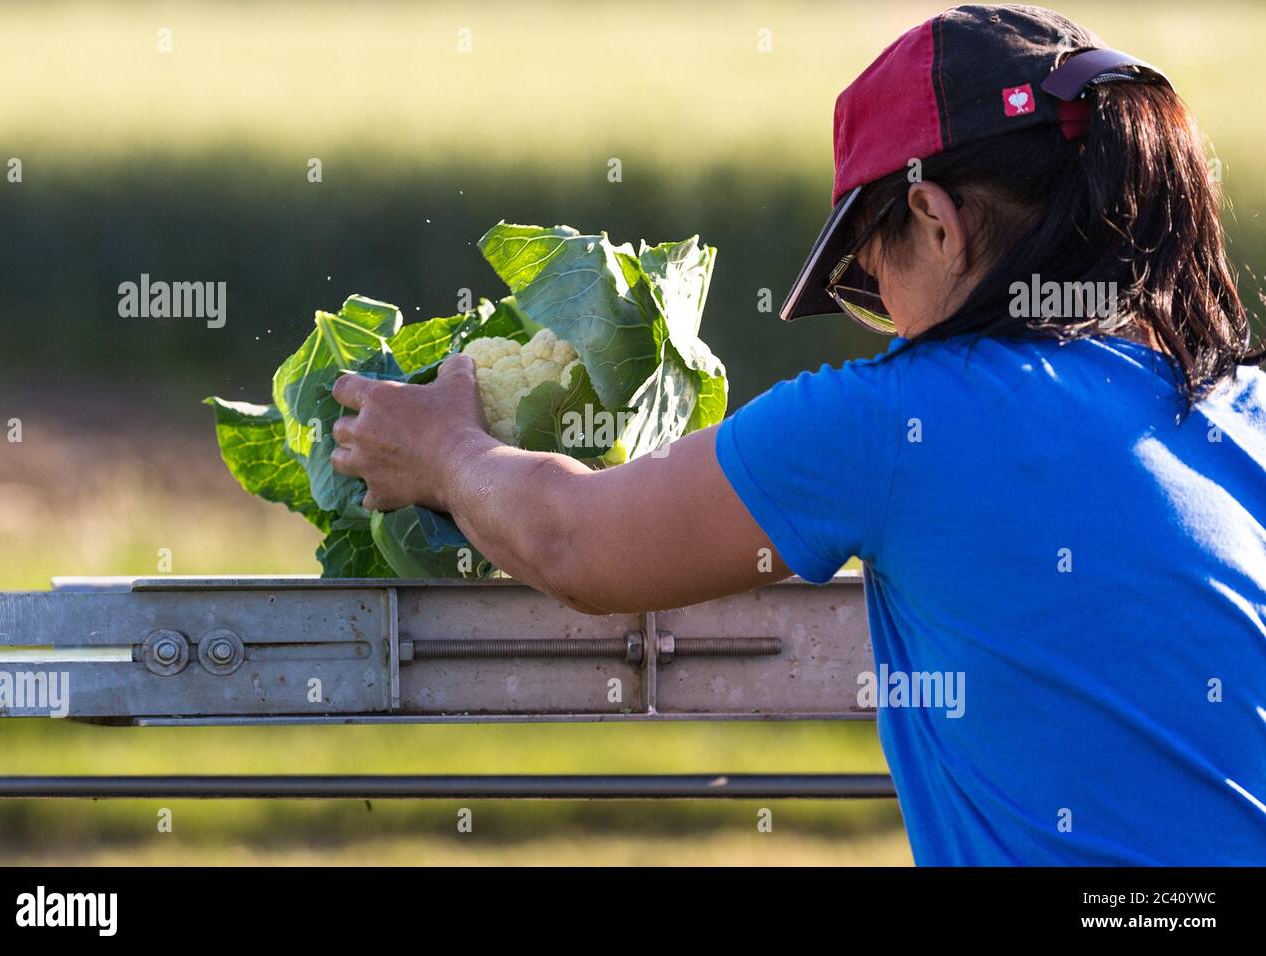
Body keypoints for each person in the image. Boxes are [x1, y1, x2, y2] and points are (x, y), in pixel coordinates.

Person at [328, 4, 1266, 865]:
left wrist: (444, 453)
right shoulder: (1244, 406)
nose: (889, 322)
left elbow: (576, 540)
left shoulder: (902, 419)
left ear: (936, 223)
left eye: (868, 278)